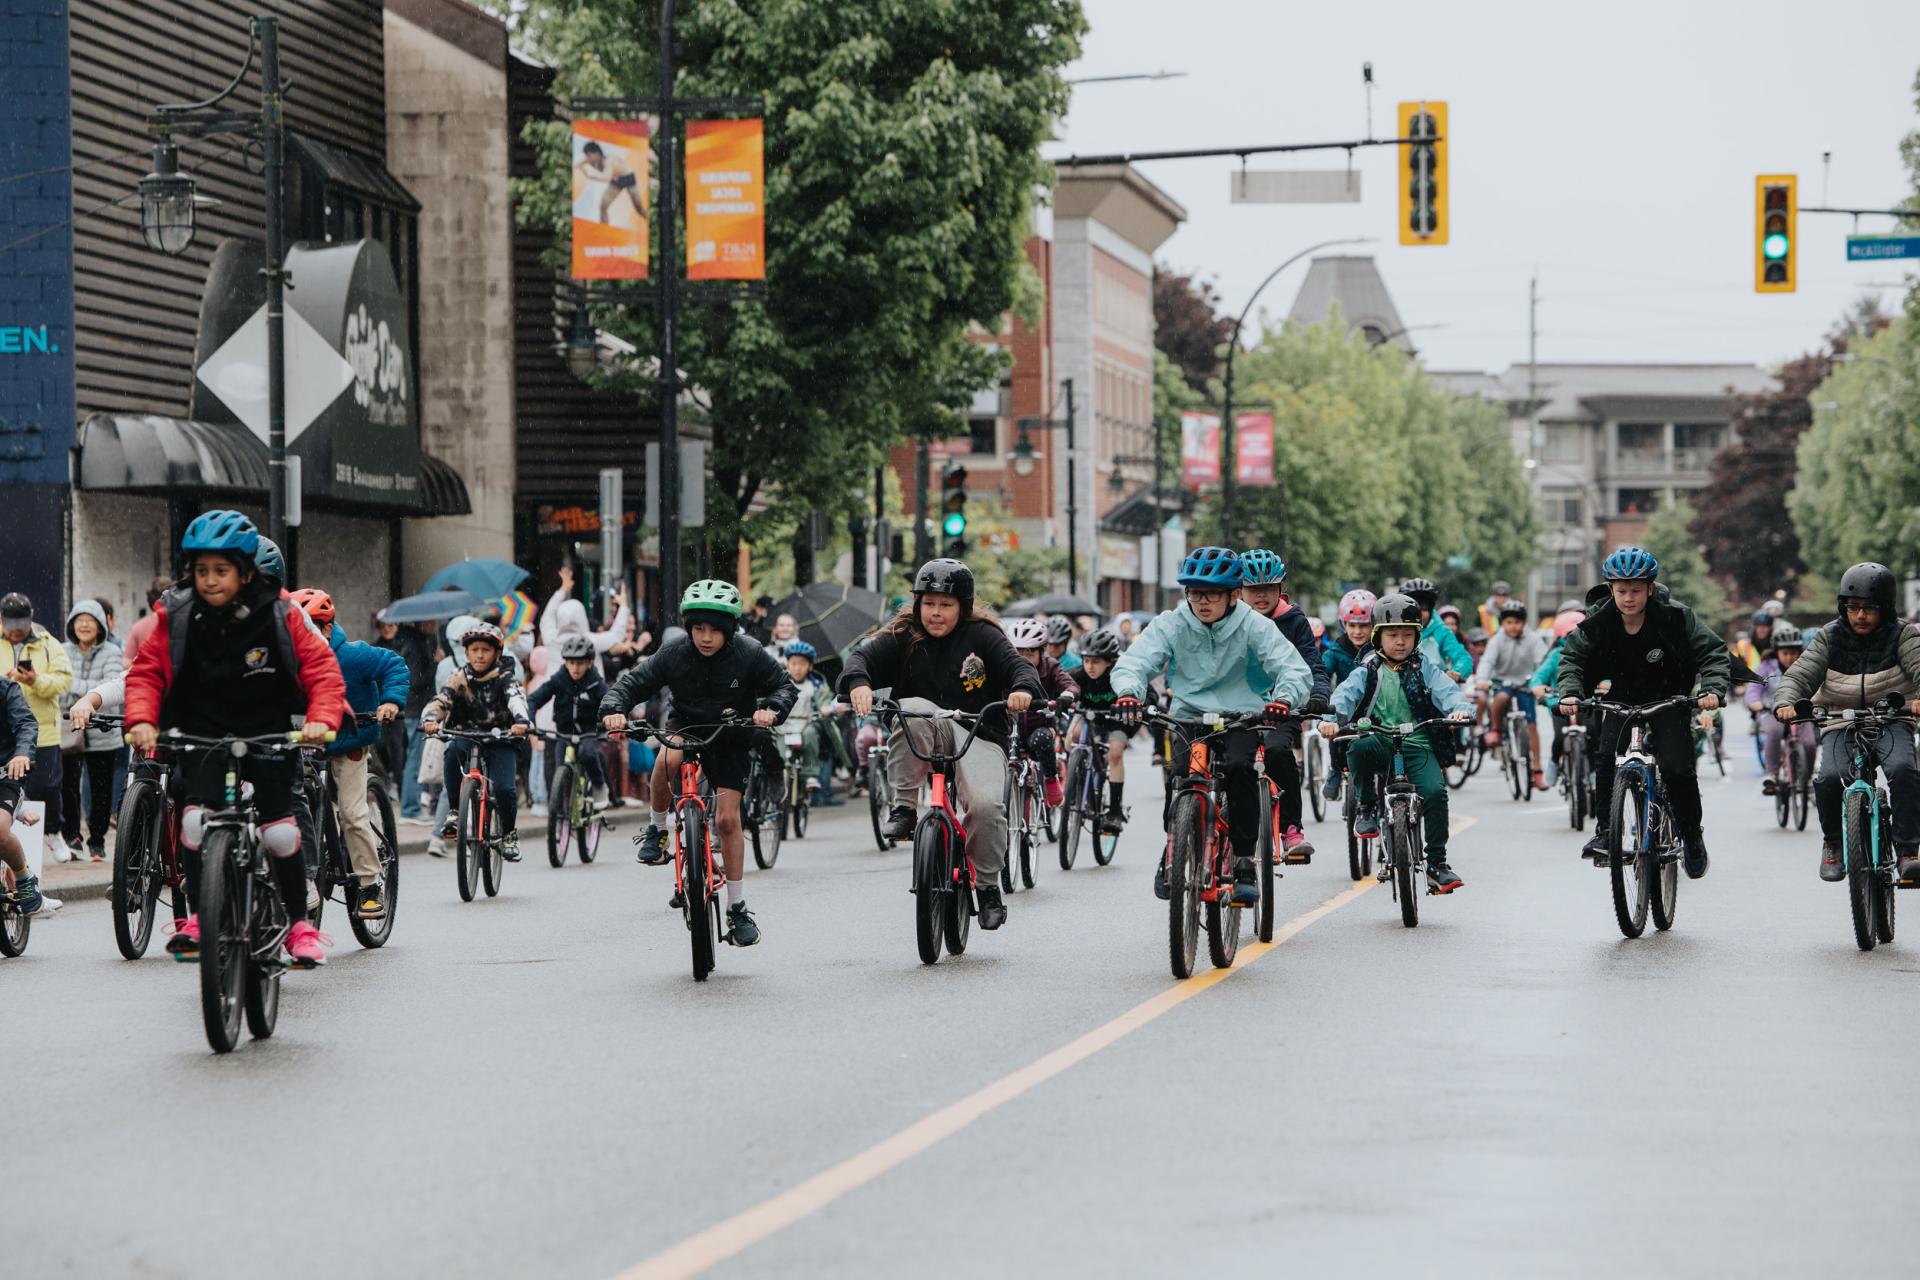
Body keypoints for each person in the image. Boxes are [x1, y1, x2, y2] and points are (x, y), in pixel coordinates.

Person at [122, 511, 345, 965]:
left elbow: (321, 669)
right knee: (193, 822)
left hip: (267, 728)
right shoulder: (178, 614)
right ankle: (201, 919)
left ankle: (299, 926)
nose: (209, 580)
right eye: (201, 570)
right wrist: (141, 719)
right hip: (200, 730)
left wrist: (322, 717)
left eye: (221, 570)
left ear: (245, 573)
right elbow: (146, 672)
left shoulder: (280, 613)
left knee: (281, 831)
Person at [839, 560, 1044, 931]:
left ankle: (987, 888)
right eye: (929, 603)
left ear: (962, 607)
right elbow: (861, 658)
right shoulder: (902, 634)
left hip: (978, 731)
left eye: (946, 605)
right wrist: (858, 683)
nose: (936, 612)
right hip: (925, 728)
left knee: (984, 806)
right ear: (917, 603)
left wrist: (1021, 690)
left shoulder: (983, 635)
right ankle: (903, 808)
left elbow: (1020, 667)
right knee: (912, 708)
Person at [1109, 547, 1312, 905]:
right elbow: (1137, 661)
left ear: (1233, 595)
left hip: (1242, 716)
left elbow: (1292, 668)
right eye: (1194, 592)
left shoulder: (1254, 624)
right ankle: (1175, 846)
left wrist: (1283, 699)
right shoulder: (1172, 623)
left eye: (1212, 594)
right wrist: (1128, 692)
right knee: (1181, 779)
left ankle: (1245, 861)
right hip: (1189, 714)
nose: (1202, 601)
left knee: (1238, 770)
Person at [603, 581, 794, 945]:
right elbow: (633, 683)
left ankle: (737, 908)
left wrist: (771, 709)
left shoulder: (750, 652)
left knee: (726, 819)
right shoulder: (673, 653)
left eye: (715, 630)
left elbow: (784, 686)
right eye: (698, 628)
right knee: (666, 759)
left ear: (730, 630)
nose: (706, 637)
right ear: (689, 627)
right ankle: (658, 830)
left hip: (732, 732)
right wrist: (614, 709)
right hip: (686, 724)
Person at [1556, 547, 1728, 879]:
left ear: (1650, 588)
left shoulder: (1676, 616)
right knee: (1607, 757)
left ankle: (1692, 836)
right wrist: (1571, 694)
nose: (1629, 598)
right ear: (1611, 590)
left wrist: (1711, 691)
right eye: (1621, 591)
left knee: (1678, 769)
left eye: (1636, 590)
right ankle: (1606, 830)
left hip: (1669, 696)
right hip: (1621, 695)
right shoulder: (1598, 621)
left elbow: (1712, 651)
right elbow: (1572, 659)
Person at [1771, 564, 1920, 884]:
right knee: (1829, 778)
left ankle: (1908, 849)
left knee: (1903, 769)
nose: (1861, 616)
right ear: (1843, 608)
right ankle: (1834, 845)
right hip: (1840, 721)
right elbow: (1800, 675)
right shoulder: (1829, 636)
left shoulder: (1903, 635)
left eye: (1869, 608)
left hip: (1893, 718)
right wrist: (1785, 702)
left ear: (1886, 609)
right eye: (1853, 608)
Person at [1320, 592, 1476, 892]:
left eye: (1408, 634)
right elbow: (1344, 695)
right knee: (1359, 747)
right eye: (1393, 634)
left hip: (1418, 744)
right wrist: (1330, 720)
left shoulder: (1424, 666)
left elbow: (1449, 691)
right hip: (1378, 739)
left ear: (1417, 636)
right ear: (1378, 637)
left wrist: (1461, 710)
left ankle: (1437, 864)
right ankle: (1366, 808)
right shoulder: (1367, 668)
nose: (1401, 641)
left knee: (1434, 792)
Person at [289, 589, 406, 919]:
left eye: (311, 626)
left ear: (327, 629)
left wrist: (390, 701)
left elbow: (394, 665)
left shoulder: (352, 656)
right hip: (304, 743)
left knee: (352, 813)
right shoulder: (288, 661)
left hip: (348, 740)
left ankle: (370, 884)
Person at [1237, 548, 1332, 863]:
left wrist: (1319, 694)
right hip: (1238, 708)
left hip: (1284, 706)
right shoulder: (1229, 620)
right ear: (1239, 591)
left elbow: (1312, 662)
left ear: (1280, 589)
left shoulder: (1292, 620)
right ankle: (1229, 842)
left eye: (1268, 588)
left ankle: (1292, 829)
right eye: (1253, 589)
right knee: (1233, 766)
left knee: (1279, 752)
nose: (1261, 595)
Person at [423, 623, 530, 860]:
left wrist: (521, 721)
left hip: (501, 737)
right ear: (466, 653)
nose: (480, 655)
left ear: (497, 653)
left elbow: (516, 699)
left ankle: (509, 833)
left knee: (504, 788)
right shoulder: (460, 676)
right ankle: (454, 811)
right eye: (474, 650)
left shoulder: (505, 676)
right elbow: (443, 699)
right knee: (451, 753)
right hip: (467, 734)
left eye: (485, 650)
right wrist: (430, 718)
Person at [2, 592, 73, 850]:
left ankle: (53, 831)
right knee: (9, 786)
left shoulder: (47, 643)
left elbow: (64, 680)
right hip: (4, 731)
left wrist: (35, 680)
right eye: (11, 627)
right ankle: (14, 842)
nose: (16, 633)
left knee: (47, 785)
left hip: (43, 728)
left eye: (21, 627)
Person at [58, 599, 124, 861]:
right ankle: (71, 837)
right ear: (71, 625)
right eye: (79, 620)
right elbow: (58, 685)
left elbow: (109, 685)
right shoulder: (62, 650)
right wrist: (90, 687)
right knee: (68, 785)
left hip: (102, 728)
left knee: (101, 788)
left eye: (90, 620)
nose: (84, 625)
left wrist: (76, 686)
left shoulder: (112, 651)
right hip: (69, 727)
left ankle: (97, 841)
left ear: (100, 625)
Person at [528, 633, 612, 805]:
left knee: (588, 753)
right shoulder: (559, 680)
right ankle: (561, 815)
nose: (575, 668)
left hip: (588, 732)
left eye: (580, 663)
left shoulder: (596, 682)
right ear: (565, 662)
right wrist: (528, 721)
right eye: (571, 662)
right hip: (563, 733)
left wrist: (612, 719)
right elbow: (534, 699)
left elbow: (610, 703)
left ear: (589, 663)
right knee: (560, 770)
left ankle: (598, 786)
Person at [1476, 600, 1550, 791]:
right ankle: (1496, 730)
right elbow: (1486, 662)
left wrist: (1542, 681)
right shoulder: (1496, 640)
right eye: (1508, 622)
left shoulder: (1533, 638)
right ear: (1502, 623)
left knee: (1532, 726)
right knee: (1501, 699)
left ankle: (1537, 771)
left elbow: (1543, 661)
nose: (1513, 626)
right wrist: (1482, 680)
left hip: (1526, 684)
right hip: (1502, 682)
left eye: (1517, 622)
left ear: (1524, 623)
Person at [1004, 617, 1076, 808]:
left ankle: (1051, 781)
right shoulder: (1004, 666)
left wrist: (1067, 695)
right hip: (1009, 728)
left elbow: (1069, 684)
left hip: (1040, 726)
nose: (1024, 657)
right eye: (1019, 651)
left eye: (1030, 652)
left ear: (1041, 651)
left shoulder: (1050, 666)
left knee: (1042, 738)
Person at [1067, 628, 1130, 834]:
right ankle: (1076, 781)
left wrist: (1140, 704)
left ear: (1110, 661)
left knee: (1115, 752)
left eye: (1096, 661)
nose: (1090, 667)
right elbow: (1060, 687)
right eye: (1086, 661)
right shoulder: (1077, 675)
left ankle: (1114, 810)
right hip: (1089, 718)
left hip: (1116, 721)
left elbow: (1146, 693)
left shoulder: (1121, 676)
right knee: (1071, 739)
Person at [375, 613, 437, 819]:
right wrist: (434, 663)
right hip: (414, 707)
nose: (433, 625)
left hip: (409, 707)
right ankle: (411, 807)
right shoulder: (413, 644)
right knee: (413, 757)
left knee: (409, 754)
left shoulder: (411, 641)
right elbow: (416, 680)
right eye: (430, 620)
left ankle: (411, 804)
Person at [1319, 589, 1377, 800]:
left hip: (1374, 706)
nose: (1358, 631)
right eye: (1352, 625)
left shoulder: (1380, 649)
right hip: (1344, 706)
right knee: (1336, 732)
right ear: (1343, 625)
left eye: (1363, 626)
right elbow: (1322, 675)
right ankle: (1335, 770)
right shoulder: (1335, 650)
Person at [1745, 621, 1812, 797]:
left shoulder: (1807, 667)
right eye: (1785, 653)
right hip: (1770, 711)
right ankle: (1772, 775)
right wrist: (1756, 703)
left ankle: (1808, 778)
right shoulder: (1767, 667)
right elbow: (1753, 689)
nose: (1790, 657)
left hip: (1800, 713)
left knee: (1810, 742)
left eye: (1794, 653)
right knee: (1774, 732)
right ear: (1777, 652)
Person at [770, 640, 840, 805]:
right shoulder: (780, 682)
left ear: (810, 666)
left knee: (811, 737)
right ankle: (779, 777)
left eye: (802, 664)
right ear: (787, 664)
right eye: (793, 664)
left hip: (806, 723)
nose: (797, 668)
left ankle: (810, 775)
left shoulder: (816, 684)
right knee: (778, 745)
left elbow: (827, 700)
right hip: (783, 724)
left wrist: (827, 708)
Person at [0, 674, 45, 914]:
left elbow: (26, 724)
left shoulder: (7, 689)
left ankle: (24, 878)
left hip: (6, 776)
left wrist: (22, 753)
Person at [1397, 578, 1474, 681]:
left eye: (1424, 606)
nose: (1419, 613)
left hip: (1433, 689)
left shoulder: (1441, 631)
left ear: (1430, 608)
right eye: (1413, 607)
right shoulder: (1392, 627)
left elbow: (1462, 657)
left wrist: (1457, 672)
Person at [573, 139, 646, 223]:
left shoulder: (609, 161)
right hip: (615, 180)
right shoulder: (591, 159)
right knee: (603, 206)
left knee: (639, 208)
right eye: (587, 155)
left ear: (596, 153)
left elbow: (606, 178)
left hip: (627, 177)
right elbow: (577, 165)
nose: (587, 158)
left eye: (589, 155)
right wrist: (580, 168)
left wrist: (590, 176)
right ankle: (604, 229)